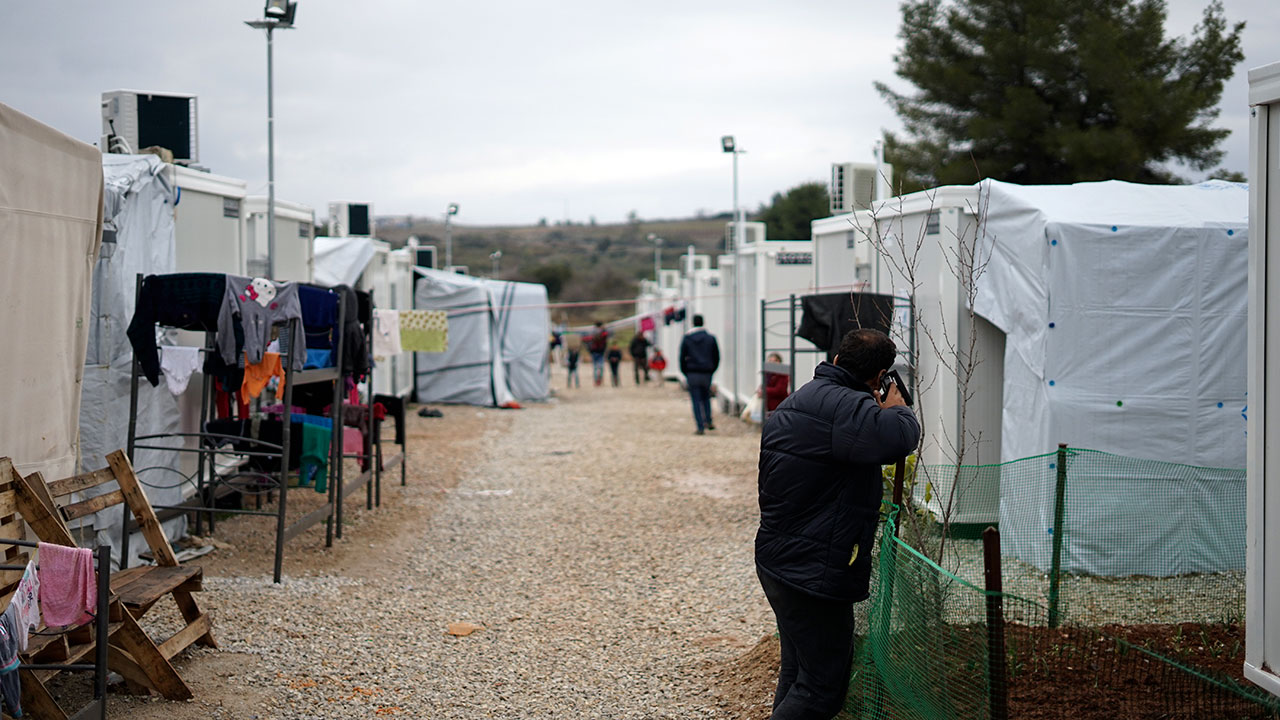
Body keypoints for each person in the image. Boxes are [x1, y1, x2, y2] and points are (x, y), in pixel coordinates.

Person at [756, 329, 920, 720]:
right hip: (814, 571)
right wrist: (896, 406)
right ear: (881, 374)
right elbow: (901, 436)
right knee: (819, 691)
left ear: (835, 360)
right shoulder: (848, 410)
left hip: (778, 559)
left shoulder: (804, 398)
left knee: (798, 672)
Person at [679, 314, 720, 435]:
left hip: (692, 372)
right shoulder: (711, 338)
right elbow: (716, 357)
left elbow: (681, 358)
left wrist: (686, 372)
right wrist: (712, 370)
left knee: (696, 400)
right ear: (703, 323)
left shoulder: (687, 338)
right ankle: (708, 419)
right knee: (706, 397)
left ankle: (700, 426)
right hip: (707, 373)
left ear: (693, 323)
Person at [586, 322, 609, 387]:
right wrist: (604, 329)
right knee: (600, 367)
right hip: (600, 351)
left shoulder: (592, 332)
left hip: (594, 352)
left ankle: (596, 381)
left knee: (595, 368)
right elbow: (606, 335)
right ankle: (599, 380)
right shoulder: (602, 332)